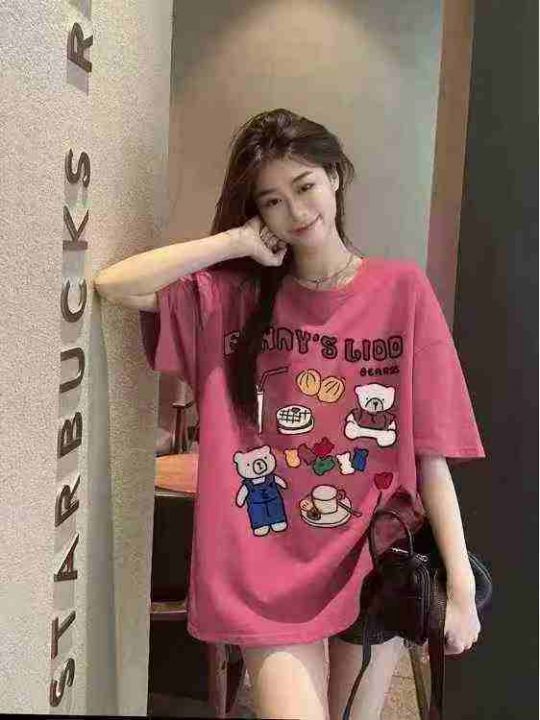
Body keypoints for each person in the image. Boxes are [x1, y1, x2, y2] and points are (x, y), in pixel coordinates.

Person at [94, 108, 486, 720]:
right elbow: (114, 284)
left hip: (374, 558)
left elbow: (430, 455)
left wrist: (459, 586)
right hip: (267, 570)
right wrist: (234, 243)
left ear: (335, 176)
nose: (296, 212)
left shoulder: (402, 291)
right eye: (272, 201)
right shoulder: (235, 299)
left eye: (305, 186)